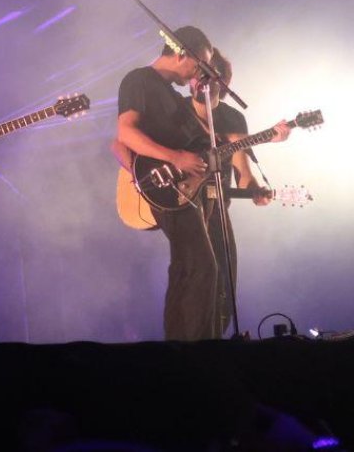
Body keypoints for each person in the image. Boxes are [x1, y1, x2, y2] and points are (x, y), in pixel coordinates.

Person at [114, 28, 288, 340]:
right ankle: (190, 352)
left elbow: (225, 151)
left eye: (208, 72)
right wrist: (162, 168)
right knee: (199, 266)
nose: (199, 75)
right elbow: (124, 137)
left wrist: (262, 149)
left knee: (212, 274)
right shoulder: (139, 80)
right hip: (169, 189)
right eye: (200, 66)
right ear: (182, 53)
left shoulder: (181, 100)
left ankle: (205, 342)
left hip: (204, 199)